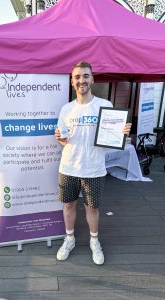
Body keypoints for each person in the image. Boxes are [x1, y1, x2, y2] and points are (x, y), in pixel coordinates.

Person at [55, 61, 131, 265]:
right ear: (72, 81)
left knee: (93, 208)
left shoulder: (104, 105)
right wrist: (60, 138)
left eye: (86, 76)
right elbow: (63, 137)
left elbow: (112, 139)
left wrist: (120, 133)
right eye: (78, 77)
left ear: (93, 79)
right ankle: (69, 239)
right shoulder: (66, 109)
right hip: (69, 166)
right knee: (68, 205)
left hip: (94, 168)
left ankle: (94, 242)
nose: (82, 80)